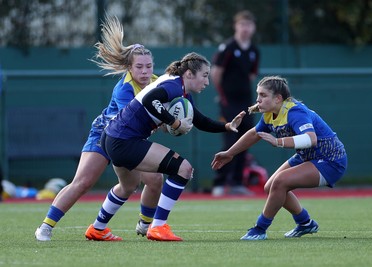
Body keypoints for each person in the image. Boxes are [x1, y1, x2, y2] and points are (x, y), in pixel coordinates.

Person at [86, 52, 246, 242]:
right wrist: (174, 122)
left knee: (128, 186)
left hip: (112, 136)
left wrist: (227, 126)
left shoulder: (179, 89)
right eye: (204, 75)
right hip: (123, 140)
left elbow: (200, 120)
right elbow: (149, 100)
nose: (207, 82)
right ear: (188, 74)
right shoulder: (173, 85)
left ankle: (97, 228)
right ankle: (158, 226)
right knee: (183, 169)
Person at [35, 15, 163, 241]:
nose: (145, 71)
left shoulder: (157, 82)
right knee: (83, 182)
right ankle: (46, 226)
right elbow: (134, 119)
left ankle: (137, 226)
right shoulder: (124, 89)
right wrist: (169, 121)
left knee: (144, 182)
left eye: (149, 66)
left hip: (129, 140)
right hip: (105, 134)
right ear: (129, 68)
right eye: (139, 67)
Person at [211, 76, 347, 240]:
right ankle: (305, 223)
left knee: (280, 182)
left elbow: (311, 139)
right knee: (270, 187)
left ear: (278, 98)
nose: (258, 99)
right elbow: (255, 134)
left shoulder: (295, 112)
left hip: (330, 159)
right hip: (308, 156)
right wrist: (230, 153)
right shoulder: (269, 113)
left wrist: (278, 141)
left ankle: (260, 229)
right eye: (258, 95)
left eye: (263, 95)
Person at [211, 10, 260, 196]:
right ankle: (220, 182)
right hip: (229, 103)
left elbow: (252, 75)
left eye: (248, 25)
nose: (245, 29)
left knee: (246, 140)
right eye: (242, 25)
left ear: (253, 28)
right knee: (230, 140)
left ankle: (238, 182)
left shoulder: (254, 51)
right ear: (236, 26)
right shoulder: (228, 47)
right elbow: (216, 74)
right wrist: (223, 96)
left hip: (247, 103)